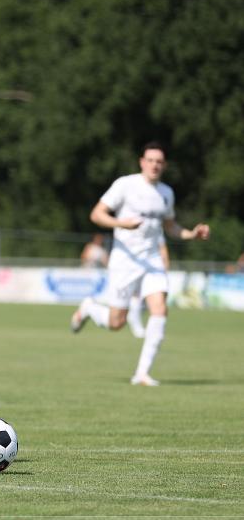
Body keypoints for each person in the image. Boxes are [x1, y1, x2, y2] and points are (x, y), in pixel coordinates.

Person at [70, 142, 210, 386]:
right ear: (142, 161)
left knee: (160, 309)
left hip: (152, 259)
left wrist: (190, 234)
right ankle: (90, 308)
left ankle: (142, 374)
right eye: (151, 160)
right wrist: (121, 223)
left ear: (164, 165)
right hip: (125, 260)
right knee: (116, 322)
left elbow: (170, 227)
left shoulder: (166, 193)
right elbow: (96, 214)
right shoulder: (126, 185)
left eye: (159, 161)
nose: (155, 165)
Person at [126, 238, 169, 339]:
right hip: (133, 266)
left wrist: (165, 267)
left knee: (158, 304)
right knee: (115, 321)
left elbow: (162, 248)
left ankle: (149, 331)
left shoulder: (156, 227)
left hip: (152, 268)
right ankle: (135, 320)